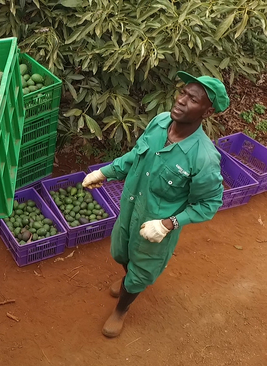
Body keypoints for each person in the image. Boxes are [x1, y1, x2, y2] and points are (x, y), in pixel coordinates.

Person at [83, 72, 229, 338]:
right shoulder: (161, 122)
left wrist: (168, 224)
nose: (182, 100)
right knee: (120, 251)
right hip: (129, 209)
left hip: (155, 226)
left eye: (192, 99)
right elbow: (135, 155)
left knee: (141, 272)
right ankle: (128, 278)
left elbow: (209, 203)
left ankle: (122, 309)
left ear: (206, 112)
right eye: (183, 92)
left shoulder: (204, 158)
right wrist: (106, 172)